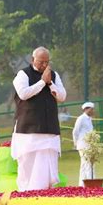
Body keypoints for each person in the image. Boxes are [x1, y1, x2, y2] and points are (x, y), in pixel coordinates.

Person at [11, 46, 67, 191]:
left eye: (46, 62)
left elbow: (62, 96)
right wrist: (42, 82)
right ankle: (27, 191)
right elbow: (23, 94)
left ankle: (46, 191)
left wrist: (49, 83)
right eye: (41, 62)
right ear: (32, 59)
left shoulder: (54, 75)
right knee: (27, 164)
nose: (44, 65)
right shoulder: (23, 74)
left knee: (47, 164)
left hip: (49, 128)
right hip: (28, 129)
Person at [72, 102, 95, 187]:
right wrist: (75, 142)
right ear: (86, 109)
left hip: (89, 145)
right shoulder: (81, 118)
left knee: (84, 164)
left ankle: (82, 184)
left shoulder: (90, 119)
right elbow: (75, 131)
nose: (92, 111)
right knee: (87, 163)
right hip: (82, 144)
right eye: (91, 109)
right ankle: (90, 183)